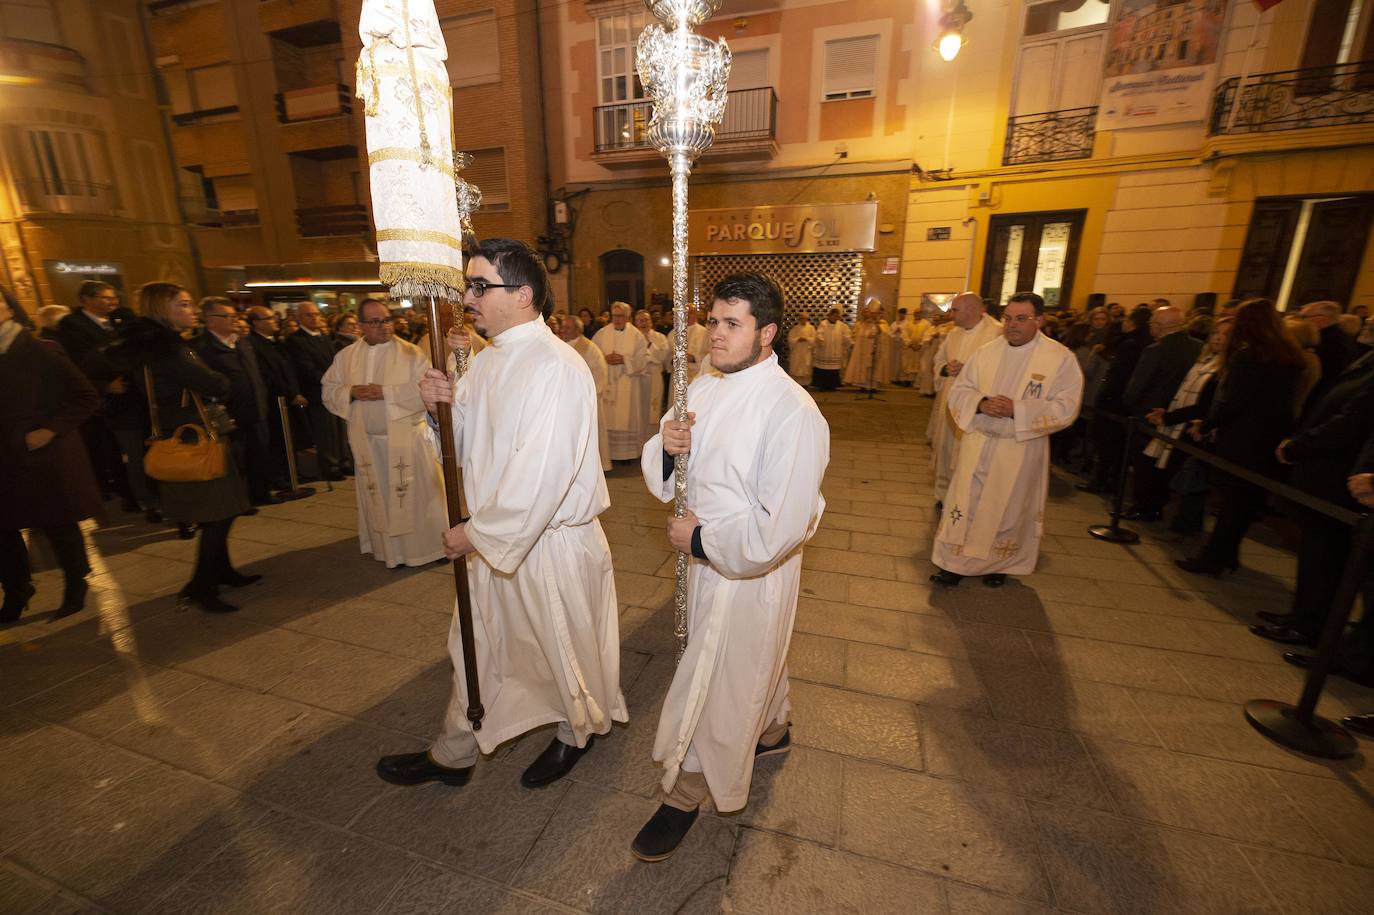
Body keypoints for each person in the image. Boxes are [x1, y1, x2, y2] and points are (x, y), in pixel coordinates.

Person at [376, 237, 626, 791]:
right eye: (467, 285)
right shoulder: (487, 363)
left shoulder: (557, 367)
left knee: (561, 650)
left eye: (479, 286)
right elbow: (466, 448)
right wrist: (439, 408)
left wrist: (477, 533)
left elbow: (543, 473)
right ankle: (454, 752)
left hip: (546, 544)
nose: (468, 296)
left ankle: (574, 734)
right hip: (496, 536)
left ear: (523, 294)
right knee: (476, 646)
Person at [631, 272, 829, 861]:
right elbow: (665, 472)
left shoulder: (792, 411)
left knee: (720, 677)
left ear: (766, 333)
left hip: (750, 572)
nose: (714, 334)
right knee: (748, 663)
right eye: (713, 321)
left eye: (731, 324)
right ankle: (772, 730)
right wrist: (667, 447)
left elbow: (782, 523)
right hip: (704, 561)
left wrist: (701, 539)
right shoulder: (703, 388)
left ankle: (685, 792)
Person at [107, 283, 256, 613]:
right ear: (163, 309)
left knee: (225, 509)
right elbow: (215, 383)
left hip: (192, 432)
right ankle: (201, 586)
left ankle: (221, 571)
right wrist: (219, 380)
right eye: (184, 304)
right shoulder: (168, 349)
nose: (191, 310)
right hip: (195, 438)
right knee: (217, 513)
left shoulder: (155, 347)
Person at [930, 292, 1083, 587]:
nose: (1012, 325)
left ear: (1039, 320)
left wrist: (1018, 410)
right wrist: (981, 403)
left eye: (1021, 319)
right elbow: (961, 391)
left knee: (1008, 507)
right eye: (1009, 318)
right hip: (978, 442)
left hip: (1020, 446)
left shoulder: (1059, 358)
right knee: (965, 504)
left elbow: (1067, 406)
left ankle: (999, 563)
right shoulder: (986, 352)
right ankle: (952, 564)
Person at [1249, 348, 1374, 646]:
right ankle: (1301, 616)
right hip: (1325, 471)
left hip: (1339, 474)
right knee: (1315, 555)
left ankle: (1311, 626)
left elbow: (1349, 422)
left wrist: (1298, 447)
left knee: (1326, 557)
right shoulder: (1365, 362)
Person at [1176, 298, 1305, 576]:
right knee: (1245, 504)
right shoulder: (1288, 355)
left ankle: (1213, 558)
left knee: (1233, 504)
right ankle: (1228, 554)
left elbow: (1234, 400)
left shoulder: (1251, 356)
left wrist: (1207, 424)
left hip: (1242, 440)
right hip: (1267, 440)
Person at [321, 300, 447, 568]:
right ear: (362, 326)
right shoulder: (346, 357)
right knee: (381, 500)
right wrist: (352, 392)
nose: (384, 326)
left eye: (387, 319)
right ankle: (392, 553)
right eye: (376, 322)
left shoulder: (411, 354)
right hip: (369, 444)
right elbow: (328, 390)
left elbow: (427, 390)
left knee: (419, 500)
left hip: (407, 443)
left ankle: (429, 549)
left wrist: (385, 392)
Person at [0, 290, 101, 623]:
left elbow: (85, 396)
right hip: (5, 456)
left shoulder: (41, 349)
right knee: (4, 530)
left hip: (42, 454)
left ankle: (76, 586)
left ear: (8, 307)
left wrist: (48, 431)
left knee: (59, 526)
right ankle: (17, 590)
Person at [1142, 318, 1232, 535]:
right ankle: (1177, 519)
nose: (1219, 338)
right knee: (1171, 471)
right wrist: (1168, 414)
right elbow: (1184, 394)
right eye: (1216, 333)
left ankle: (1186, 524)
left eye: (1226, 334)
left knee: (1190, 477)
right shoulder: (1204, 360)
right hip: (1179, 422)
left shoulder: (1227, 367)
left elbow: (1204, 405)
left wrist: (1170, 418)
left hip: (1195, 427)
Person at [1121, 306, 1203, 520]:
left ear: (1159, 327)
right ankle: (1158, 504)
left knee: (1144, 462)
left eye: (1152, 324)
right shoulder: (1198, 347)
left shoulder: (1155, 350)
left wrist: (1130, 405)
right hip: (1180, 414)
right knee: (1165, 463)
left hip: (1150, 414)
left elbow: (1138, 385)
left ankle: (1144, 505)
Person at [193, 297, 276, 506]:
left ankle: (260, 494)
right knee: (236, 461)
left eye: (234, 315)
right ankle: (239, 500)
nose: (233, 320)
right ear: (211, 320)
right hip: (230, 416)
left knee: (260, 456)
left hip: (256, 410)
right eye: (227, 316)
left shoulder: (242, 343)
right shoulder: (202, 348)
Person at [930, 292, 1003, 504]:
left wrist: (969, 371)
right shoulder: (954, 334)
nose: (951, 314)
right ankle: (944, 496)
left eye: (955, 310)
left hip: (977, 407)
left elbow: (1001, 371)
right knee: (946, 447)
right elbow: (939, 359)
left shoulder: (997, 334)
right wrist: (945, 369)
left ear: (971, 309)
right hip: (950, 402)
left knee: (968, 451)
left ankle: (965, 498)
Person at [243, 307, 308, 493]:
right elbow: (268, 375)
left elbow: (288, 371)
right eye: (270, 318)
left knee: (290, 437)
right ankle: (279, 477)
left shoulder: (277, 343)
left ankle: (292, 473)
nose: (275, 321)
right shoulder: (252, 345)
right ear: (256, 323)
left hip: (288, 400)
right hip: (273, 403)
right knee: (277, 441)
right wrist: (289, 394)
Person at [285, 301, 346, 480]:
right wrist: (331, 379)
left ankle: (343, 461)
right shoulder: (296, 340)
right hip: (317, 391)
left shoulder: (324, 337)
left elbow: (335, 361)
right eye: (309, 315)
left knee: (339, 428)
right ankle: (330, 466)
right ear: (299, 318)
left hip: (334, 389)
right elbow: (305, 368)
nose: (314, 318)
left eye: (316, 314)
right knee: (326, 432)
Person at [592, 301, 650, 460]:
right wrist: (605, 359)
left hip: (628, 383)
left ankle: (627, 455)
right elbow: (593, 357)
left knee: (626, 418)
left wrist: (624, 359)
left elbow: (643, 359)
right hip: (608, 383)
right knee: (609, 418)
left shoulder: (637, 335)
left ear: (627, 317)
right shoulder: (602, 333)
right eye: (614, 316)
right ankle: (608, 454)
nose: (617, 319)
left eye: (620, 316)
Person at [558, 313, 611, 471]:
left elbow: (600, 373)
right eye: (562, 327)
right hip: (565, 400)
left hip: (586, 401)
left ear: (578, 331)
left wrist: (583, 394)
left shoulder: (590, 348)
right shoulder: (560, 344)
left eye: (567, 328)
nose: (563, 330)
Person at [1299, 300, 1362, 407]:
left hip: (1320, 397)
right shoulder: (1340, 336)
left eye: (1304, 317)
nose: (1301, 321)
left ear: (1321, 318)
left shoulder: (1324, 340)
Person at [842, 302, 893, 391]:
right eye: (871, 313)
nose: (872, 315)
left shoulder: (882, 323)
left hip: (876, 350)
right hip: (864, 350)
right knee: (864, 367)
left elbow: (886, 334)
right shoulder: (865, 323)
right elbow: (861, 336)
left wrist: (878, 328)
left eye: (874, 313)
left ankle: (873, 386)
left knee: (875, 367)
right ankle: (863, 385)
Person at [635, 308, 670, 420]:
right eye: (640, 320)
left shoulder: (660, 337)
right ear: (635, 322)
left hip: (655, 374)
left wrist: (649, 344)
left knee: (654, 407)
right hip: (637, 376)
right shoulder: (631, 337)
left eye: (646, 320)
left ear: (651, 321)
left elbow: (663, 356)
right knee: (638, 406)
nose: (643, 323)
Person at [811, 307, 851, 391]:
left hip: (835, 351)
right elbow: (819, 333)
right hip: (824, 350)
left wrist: (848, 340)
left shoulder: (841, 325)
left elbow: (846, 335)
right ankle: (822, 386)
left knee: (833, 370)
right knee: (822, 369)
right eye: (833, 316)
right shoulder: (824, 323)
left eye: (837, 316)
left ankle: (832, 386)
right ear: (830, 315)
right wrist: (820, 339)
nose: (835, 318)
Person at [786, 314, 815, 386]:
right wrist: (798, 339)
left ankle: (806, 383)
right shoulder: (795, 328)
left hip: (806, 350)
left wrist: (807, 339)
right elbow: (790, 339)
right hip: (797, 350)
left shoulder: (811, 328)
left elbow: (814, 339)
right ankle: (796, 383)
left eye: (805, 318)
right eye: (802, 318)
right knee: (796, 365)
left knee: (806, 365)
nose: (803, 320)